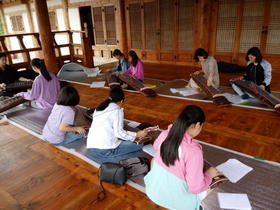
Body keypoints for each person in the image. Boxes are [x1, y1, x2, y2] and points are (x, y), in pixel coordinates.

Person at [144, 105, 220, 210]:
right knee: (210, 183)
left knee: (154, 160)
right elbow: (195, 188)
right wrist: (209, 175)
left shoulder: (165, 134)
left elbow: (156, 146)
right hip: (179, 204)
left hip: (152, 191)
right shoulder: (194, 151)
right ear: (197, 125)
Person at [87, 88, 147, 157]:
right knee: (139, 144)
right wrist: (136, 134)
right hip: (105, 150)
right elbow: (118, 133)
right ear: (121, 101)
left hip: (92, 147)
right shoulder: (117, 110)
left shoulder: (100, 108)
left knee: (124, 138)